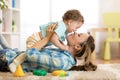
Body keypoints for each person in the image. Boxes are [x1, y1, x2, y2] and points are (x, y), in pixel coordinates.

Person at [9, 30, 97, 72]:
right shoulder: (63, 52)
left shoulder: (62, 61)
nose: (75, 32)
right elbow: (40, 49)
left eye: (79, 35)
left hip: (8, 59)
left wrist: (47, 38)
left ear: (77, 46)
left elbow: (30, 54)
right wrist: (54, 40)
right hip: (13, 53)